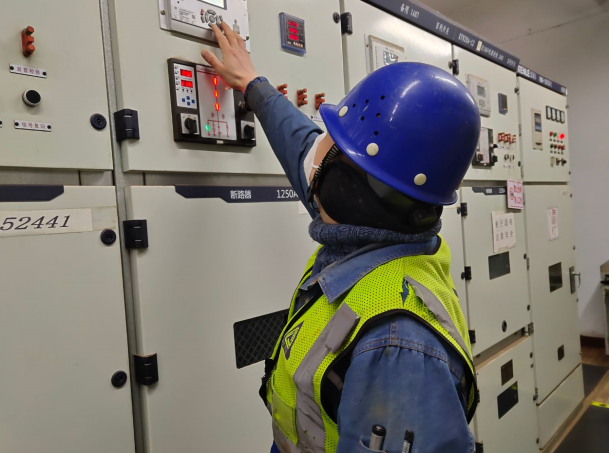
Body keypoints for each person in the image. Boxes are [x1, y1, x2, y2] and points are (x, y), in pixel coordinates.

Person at [202, 22, 481, 453]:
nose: (314, 153)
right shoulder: (380, 226)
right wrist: (253, 85)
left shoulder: (397, 345)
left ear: (345, 189)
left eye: (330, 145)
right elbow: (301, 146)